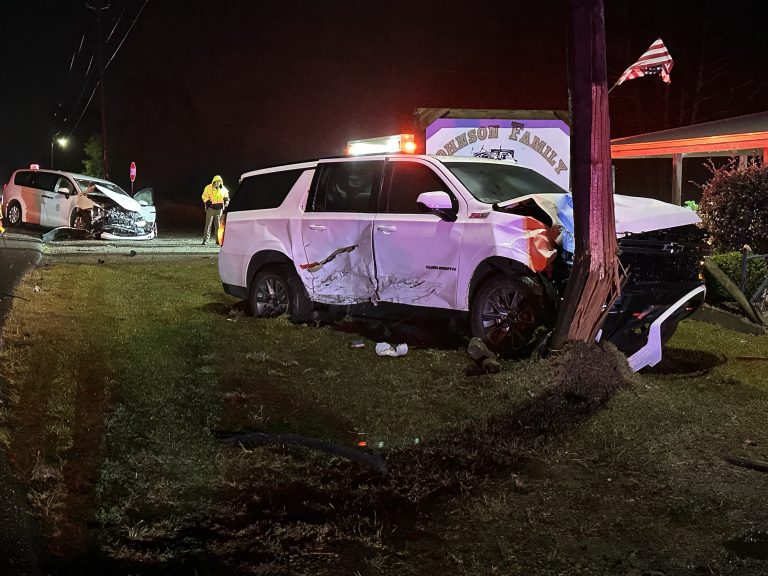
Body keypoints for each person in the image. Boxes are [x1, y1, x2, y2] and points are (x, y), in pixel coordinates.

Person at [201, 175, 229, 245]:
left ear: (221, 182)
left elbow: (226, 195)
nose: (218, 183)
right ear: (213, 182)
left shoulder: (223, 189)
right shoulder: (208, 188)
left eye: (219, 182)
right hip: (210, 209)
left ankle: (218, 240)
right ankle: (205, 240)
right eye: (216, 182)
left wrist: (226, 200)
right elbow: (204, 196)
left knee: (218, 226)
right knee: (208, 225)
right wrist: (208, 203)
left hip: (219, 210)